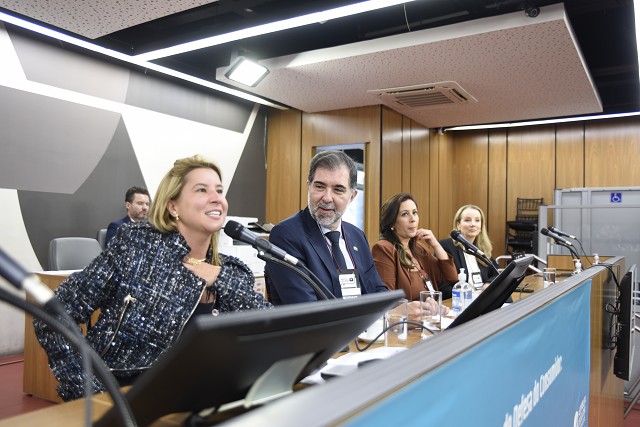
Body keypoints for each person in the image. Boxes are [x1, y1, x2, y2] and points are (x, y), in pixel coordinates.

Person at [34, 155, 271, 401]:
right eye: (202, 189)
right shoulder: (137, 247)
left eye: (220, 191)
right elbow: (53, 315)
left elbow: (270, 330)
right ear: (173, 207)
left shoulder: (231, 271)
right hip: (128, 399)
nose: (216, 198)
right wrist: (90, 392)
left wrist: (221, 278)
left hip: (204, 403)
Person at [265, 150, 389, 304]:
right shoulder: (286, 235)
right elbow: (306, 309)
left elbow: (376, 290)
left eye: (338, 189)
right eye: (320, 186)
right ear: (309, 187)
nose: (327, 198)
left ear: (352, 196)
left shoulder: (357, 236)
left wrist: (401, 307)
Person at [372, 193, 458, 301]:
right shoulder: (383, 249)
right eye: (405, 214)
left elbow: (451, 278)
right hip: (408, 312)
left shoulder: (419, 248)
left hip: (432, 310)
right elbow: (387, 297)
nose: (412, 219)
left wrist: (436, 244)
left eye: (414, 212)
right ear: (392, 222)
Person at [439, 204, 499, 289]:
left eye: (477, 220)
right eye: (467, 220)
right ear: (458, 225)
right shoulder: (446, 246)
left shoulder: (482, 249)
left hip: (482, 296)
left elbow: (496, 272)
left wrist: (488, 284)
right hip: (459, 296)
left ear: (481, 226)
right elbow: (442, 284)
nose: (473, 224)